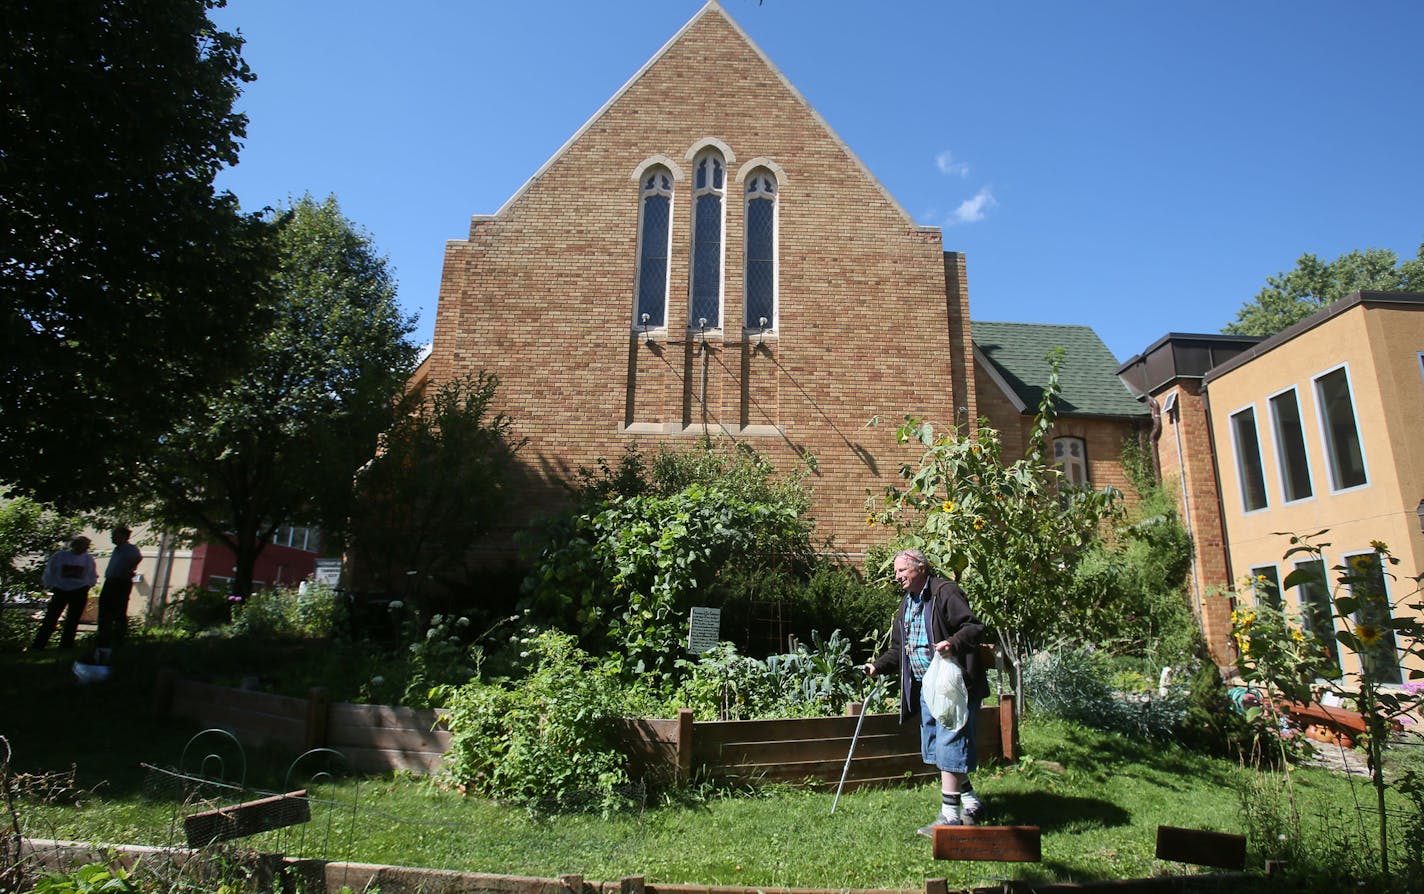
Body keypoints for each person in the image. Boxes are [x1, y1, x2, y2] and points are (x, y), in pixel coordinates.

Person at [864, 548, 990, 836]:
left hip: (954, 685)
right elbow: (900, 650)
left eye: (901, 571)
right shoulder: (907, 604)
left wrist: (952, 644)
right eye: (896, 571)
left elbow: (973, 628)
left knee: (950, 744)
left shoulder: (946, 593)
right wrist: (877, 667)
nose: (896, 576)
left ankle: (950, 818)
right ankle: (970, 801)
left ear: (920, 568)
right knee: (936, 747)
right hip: (928, 686)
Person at [32, 535, 98, 651]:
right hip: (61, 590)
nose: (84, 549)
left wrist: (89, 585)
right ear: (75, 545)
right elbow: (50, 571)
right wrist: (50, 584)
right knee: (51, 618)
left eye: (86, 547)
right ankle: (38, 645)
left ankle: (66, 646)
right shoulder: (60, 556)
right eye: (82, 546)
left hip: (79, 590)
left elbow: (92, 574)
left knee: (73, 620)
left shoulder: (88, 559)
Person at [97, 526, 142, 646]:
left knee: (118, 610)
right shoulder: (117, 549)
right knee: (104, 609)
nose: (112, 538)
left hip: (120, 582)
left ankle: (118, 639)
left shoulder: (130, 549)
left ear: (123, 536)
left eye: (115, 535)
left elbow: (137, 558)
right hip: (110, 581)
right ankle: (103, 638)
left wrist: (127, 570)